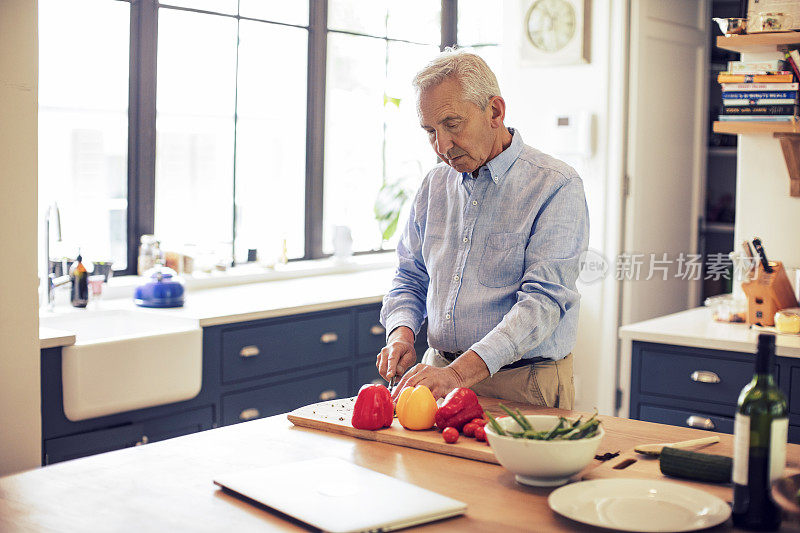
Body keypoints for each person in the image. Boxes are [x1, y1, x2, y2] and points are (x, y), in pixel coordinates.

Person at [376, 50, 589, 408]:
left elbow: (543, 301)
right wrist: (402, 332)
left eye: (452, 124)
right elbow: (410, 276)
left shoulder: (557, 185)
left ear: (495, 111)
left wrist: (459, 374)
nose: (442, 146)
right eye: (430, 131)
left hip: (522, 384)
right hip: (436, 377)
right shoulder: (433, 186)